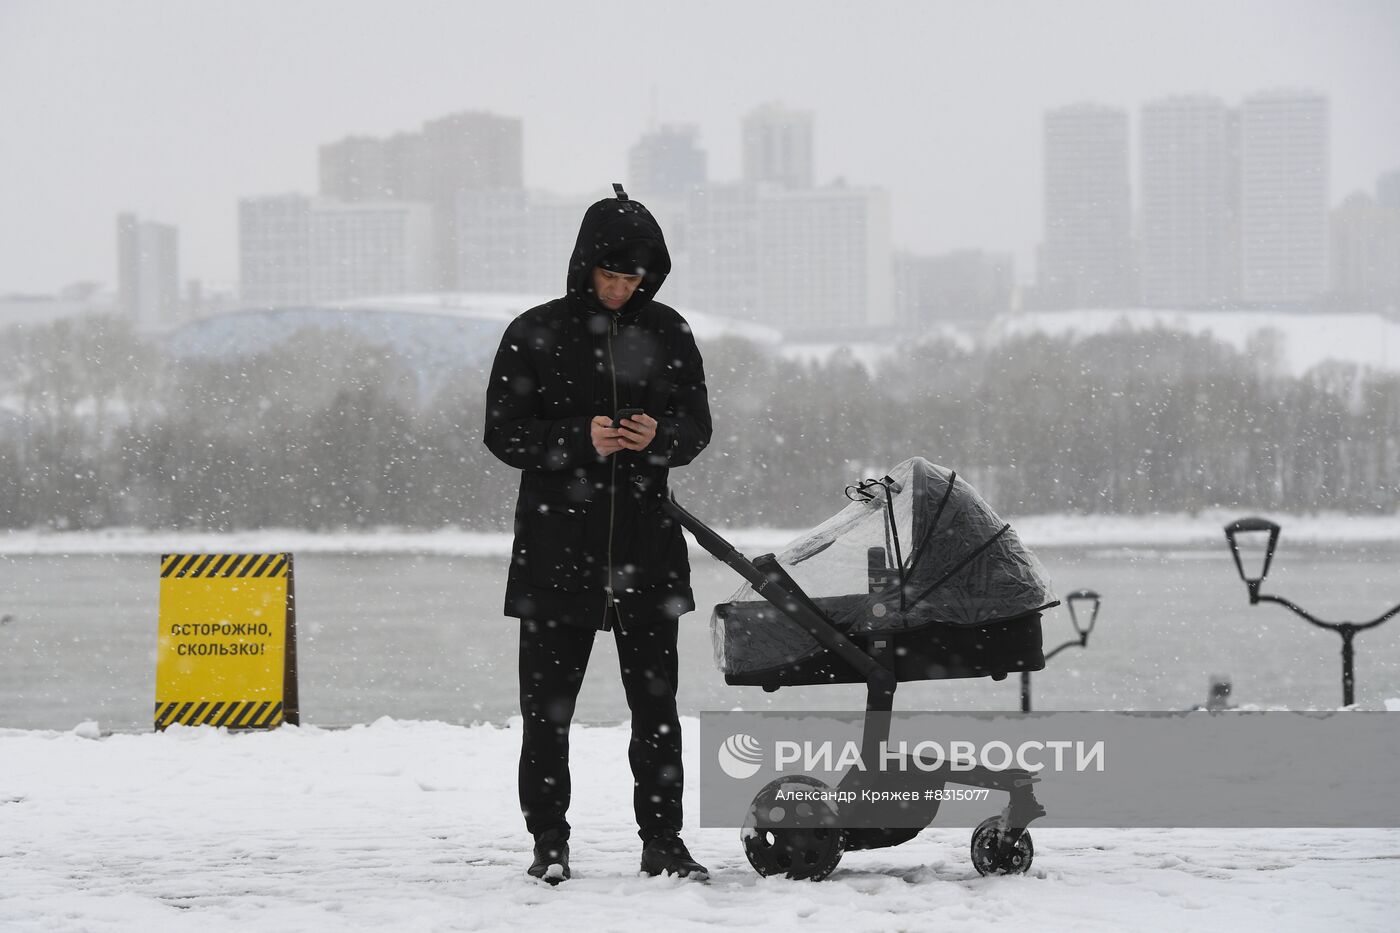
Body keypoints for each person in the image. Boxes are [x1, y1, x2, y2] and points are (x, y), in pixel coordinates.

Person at [483, 184, 713, 885]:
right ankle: (549, 840)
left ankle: (664, 842)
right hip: (556, 555)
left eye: (632, 278)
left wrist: (659, 436)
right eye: (609, 275)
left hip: (648, 552)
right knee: (547, 715)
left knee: (658, 711)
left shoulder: (669, 332)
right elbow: (502, 433)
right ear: (584, 266)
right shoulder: (534, 331)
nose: (619, 289)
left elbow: (697, 428)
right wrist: (577, 439)